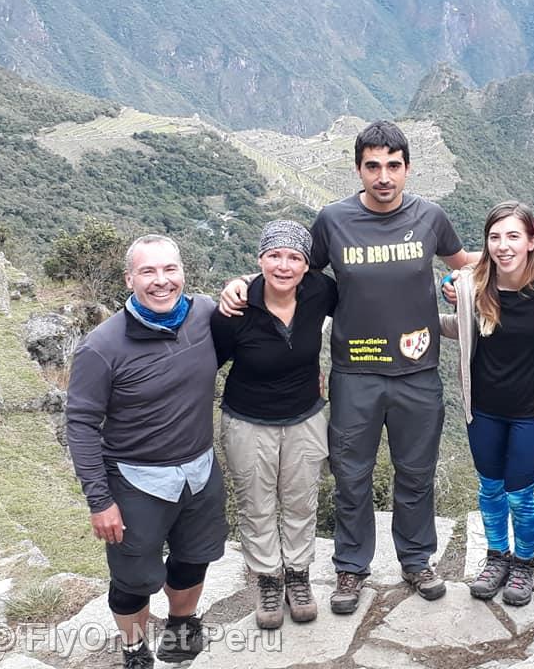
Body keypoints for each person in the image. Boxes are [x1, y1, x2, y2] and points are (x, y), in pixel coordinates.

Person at [220, 120, 477, 614]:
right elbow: (290, 270)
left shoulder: (431, 217)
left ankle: (416, 558)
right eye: (373, 166)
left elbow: (464, 263)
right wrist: (243, 281)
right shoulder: (333, 221)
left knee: (416, 472)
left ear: (407, 169)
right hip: (354, 373)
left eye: (393, 166)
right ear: (358, 169)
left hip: (418, 369)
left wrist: (460, 284)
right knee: (352, 475)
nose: (384, 176)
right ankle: (351, 567)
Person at [66, 235, 228, 669]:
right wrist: (100, 501)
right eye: (148, 272)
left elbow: (255, 324)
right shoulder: (103, 346)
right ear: (130, 278)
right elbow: (80, 424)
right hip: (136, 480)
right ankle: (135, 648)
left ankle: (181, 624)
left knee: (195, 558)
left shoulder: (205, 315)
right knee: (134, 580)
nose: (161, 281)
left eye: (169, 270)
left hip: (200, 470)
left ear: (182, 273)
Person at [438, 201, 534, 607]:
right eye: (495, 237)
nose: (503, 246)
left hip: (533, 413)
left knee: (520, 494)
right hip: (486, 408)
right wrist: (419, 314)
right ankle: (497, 557)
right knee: (490, 489)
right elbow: (462, 329)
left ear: (531, 241)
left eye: (513, 236)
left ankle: (525, 563)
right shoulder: (474, 287)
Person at [210, 220, 336, 628]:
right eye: (274, 255)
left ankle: (298, 575)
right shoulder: (236, 310)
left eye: (294, 257)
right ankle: (267, 578)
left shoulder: (320, 291)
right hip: (247, 421)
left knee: (301, 500)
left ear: (307, 265)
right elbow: (208, 363)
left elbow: (367, 301)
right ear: (260, 259)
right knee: (256, 505)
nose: (284, 266)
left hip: (305, 417)